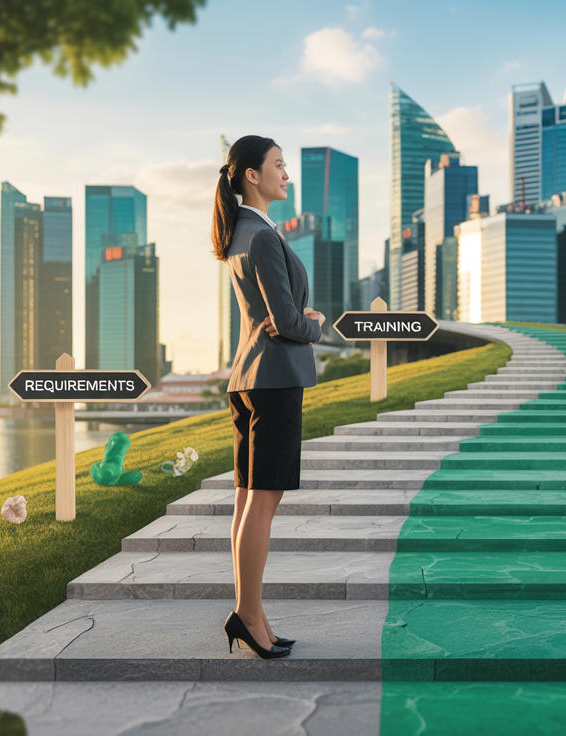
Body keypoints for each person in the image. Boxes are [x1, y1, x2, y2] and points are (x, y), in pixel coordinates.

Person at [211, 135, 325, 659]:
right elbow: (285, 321)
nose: (287, 174)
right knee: (262, 501)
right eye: (279, 165)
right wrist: (315, 324)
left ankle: (250, 613)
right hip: (274, 379)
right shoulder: (259, 236)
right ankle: (249, 615)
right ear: (252, 175)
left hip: (248, 379)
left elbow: (269, 318)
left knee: (246, 501)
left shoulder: (243, 232)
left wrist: (295, 323)